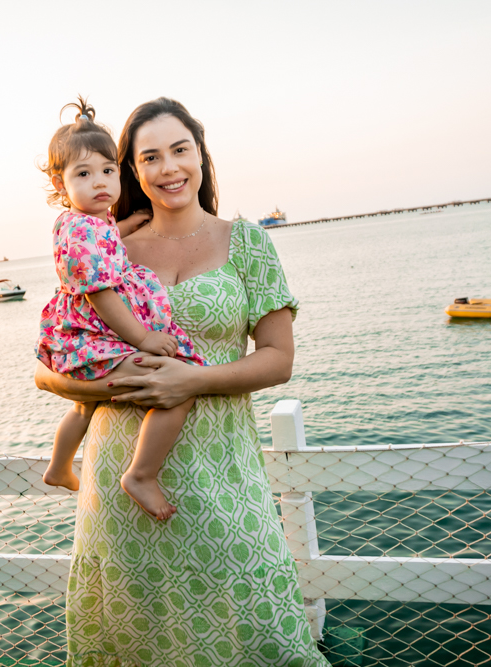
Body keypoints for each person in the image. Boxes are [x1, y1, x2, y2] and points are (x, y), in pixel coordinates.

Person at [35, 97, 328, 666]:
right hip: (119, 470)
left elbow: (277, 359)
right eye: (150, 157)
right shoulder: (106, 243)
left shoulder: (246, 242)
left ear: (200, 154)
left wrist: (189, 381)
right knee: (136, 636)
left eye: (180, 150)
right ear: (132, 171)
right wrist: (119, 389)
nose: (168, 168)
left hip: (223, 468)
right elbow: (49, 366)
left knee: (253, 627)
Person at [37, 98, 205, 521]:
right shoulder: (78, 230)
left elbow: (108, 234)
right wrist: (144, 338)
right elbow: (102, 295)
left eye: (108, 171)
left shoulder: (91, 223)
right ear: (60, 185)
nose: (100, 183)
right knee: (175, 386)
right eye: (84, 174)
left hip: (83, 335)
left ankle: (58, 468)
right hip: (98, 331)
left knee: (82, 406)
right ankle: (141, 474)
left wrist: (130, 225)